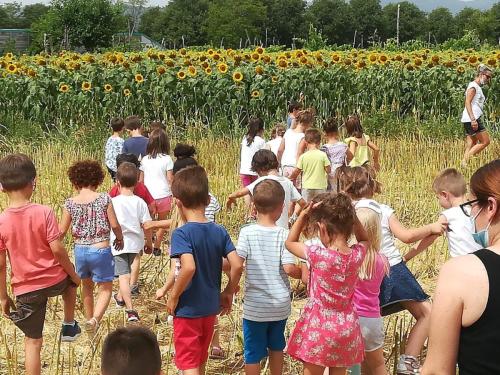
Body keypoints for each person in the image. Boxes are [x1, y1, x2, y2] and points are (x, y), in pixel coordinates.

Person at [340, 166, 446, 374]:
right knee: (427, 313)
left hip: (359, 272)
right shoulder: (382, 210)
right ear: (371, 185)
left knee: (364, 328)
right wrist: (431, 227)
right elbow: (405, 236)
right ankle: (408, 361)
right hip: (390, 268)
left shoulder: (345, 211)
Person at [0, 154, 81, 375]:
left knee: (32, 342)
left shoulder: (2, 221)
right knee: (71, 285)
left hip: (26, 289)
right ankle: (68, 323)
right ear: (33, 183)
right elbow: (57, 249)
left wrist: (3, 296)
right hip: (55, 280)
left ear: (1, 187)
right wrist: (73, 274)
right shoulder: (43, 212)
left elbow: (1, 263)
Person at [422, 159, 500, 375]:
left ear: (491, 206)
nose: (471, 214)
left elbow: (437, 370)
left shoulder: (460, 273)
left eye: (472, 205)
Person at [165, 165, 243, 375]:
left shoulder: (181, 234)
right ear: (208, 200)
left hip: (188, 310)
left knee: (188, 363)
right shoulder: (219, 230)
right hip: (210, 309)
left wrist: (173, 296)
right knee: (200, 360)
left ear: (177, 203)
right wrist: (228, 291)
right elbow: (237, 264)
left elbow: (188, 267)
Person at [285, 192, 370, 375]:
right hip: (347, 327)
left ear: (322, 229)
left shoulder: (318, 254)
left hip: (320, 327)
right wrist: (352, 217)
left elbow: (290, 242)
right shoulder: (356, 255)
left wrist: (303, 215)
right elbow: (364, 239)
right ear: (350, 226)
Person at [231, 179, 301, 375]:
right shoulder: (283, 233)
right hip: (279, 304)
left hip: (255, 306)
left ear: (253, 206)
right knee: (277, 346)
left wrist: (231, 286)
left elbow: (238, 262)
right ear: (281, 208)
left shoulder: (247, 232)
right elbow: (288, 268)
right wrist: (303, 273)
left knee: (252, 352)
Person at [59, 160, 124, 336]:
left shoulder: (70, 203)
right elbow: (115, 224)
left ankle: (89, 322)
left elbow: (61, 231)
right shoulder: (104, 199)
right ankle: (94, 320)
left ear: (75, 181)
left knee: (86, 287)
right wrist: (119, 238)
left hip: (80, 250)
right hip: (101, 248)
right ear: (98, 179)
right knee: (105, 288)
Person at [403, 168, 482, 262]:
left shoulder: (447, 215)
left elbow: (429, 239)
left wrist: (406, 257)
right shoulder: (477, 210)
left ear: (445, 195)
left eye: (438, 198)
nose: (438, 202)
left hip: (461, 264)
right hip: (482, 262)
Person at [110, 162, 153, 322]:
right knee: (128, 272)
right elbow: (147, 226)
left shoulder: (113, 202)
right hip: (135, 242)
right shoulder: (140, 202)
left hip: (118, 243)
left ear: (117, 183)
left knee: (123, 276)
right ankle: (124, 301)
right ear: (136, 183)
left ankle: (129, 308)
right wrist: (149, 243)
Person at [227, 149, 306, 229]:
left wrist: (230, 197)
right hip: (283, 231)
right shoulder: (287, 182)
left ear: (260, 169)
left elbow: (240, 193)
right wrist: (293, 219)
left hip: (266, 229)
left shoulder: (263, 181)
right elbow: (302, 203)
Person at [353, 204, 389, 375]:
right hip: (372, 319)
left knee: (342, 364)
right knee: (377, 365)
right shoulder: (382, 260)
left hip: (350, 318)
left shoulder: (350, 258)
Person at [140, 129, 174, 256]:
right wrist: (174, 193)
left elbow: (141, 180)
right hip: (163, 195)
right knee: (162, 222)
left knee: (148, 222)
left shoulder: (144, 159)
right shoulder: (167, 159)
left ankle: (148, 243)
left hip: (148, 196)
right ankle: (157, 248)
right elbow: (170, 178)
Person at [461, 64, 493, 167]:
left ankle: (464, 165)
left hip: (468, 119)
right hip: (472, 118)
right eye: (487, 76)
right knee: (485, 141)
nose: (488, 79)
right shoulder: (473, 86)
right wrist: (473, 119)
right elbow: (467, 102)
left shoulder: (476, 87)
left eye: (490, 77)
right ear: (481, 74)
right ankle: (466, 160)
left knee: (472, 142)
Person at [290, 128, 331, 203]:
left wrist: (290, 178)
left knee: (306, 207)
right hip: (320, 186)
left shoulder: (303, 156)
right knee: (321, 206)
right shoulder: (323, 155)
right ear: (319, 142)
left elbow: (297, 171)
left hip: (307, 186)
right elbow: (328, 170)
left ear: (305, 142)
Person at [278, 108, 315, 190]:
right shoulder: (303, 137)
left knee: (286, 191)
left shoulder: (288, 132)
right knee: (296, 193)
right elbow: (300, 154)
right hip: (295, 166)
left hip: (285, 165)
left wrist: (278, 163)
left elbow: (280, 150)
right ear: (307, 124)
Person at [239, 117, 266, 207]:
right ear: (261, 129)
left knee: (247, 192)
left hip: (244, 170)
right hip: (256, 171)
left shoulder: (245, 139)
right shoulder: (261, 141)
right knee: (256, 191)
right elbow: (264, 156)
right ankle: (255, 212)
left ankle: (248, 213)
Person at [320, 117, 349, 191]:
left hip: (329, 173)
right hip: (341, 172)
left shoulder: (323, 148)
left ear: (325, 133)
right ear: (337, 132)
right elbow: (351, 156)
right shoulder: (343, 146)